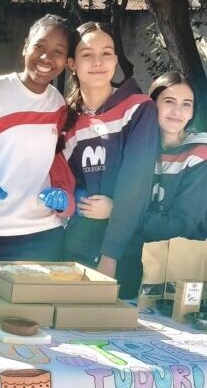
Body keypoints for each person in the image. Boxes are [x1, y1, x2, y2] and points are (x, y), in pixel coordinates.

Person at [0, 14, 75, 277]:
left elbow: (55, 161)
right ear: (25, 47)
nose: (46, 57)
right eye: (39, 46)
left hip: (43, 234)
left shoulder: (59, 104)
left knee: (38, 306)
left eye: (57, 52)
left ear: (66, 61)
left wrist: (63, 195)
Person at [59, 22, 159, 298]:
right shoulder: (66, 119)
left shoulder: (138, 108)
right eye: (87, 54)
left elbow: (136, 183)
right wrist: (71, 198)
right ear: (72, 64)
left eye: (106, 53)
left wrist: (110, 254)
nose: (98, 62)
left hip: (122, 253)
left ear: (115, 60)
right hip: (75, 248)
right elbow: (60, 178)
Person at [142, 71, 207, 244]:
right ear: (153, 104)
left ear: (192, 111)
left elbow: (178, 228)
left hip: (191, 254)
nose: (177, 111)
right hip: (141, 251)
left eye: (186, 104)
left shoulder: (202, 156)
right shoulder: (140, 149)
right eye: (169, 101)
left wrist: (119, 214)